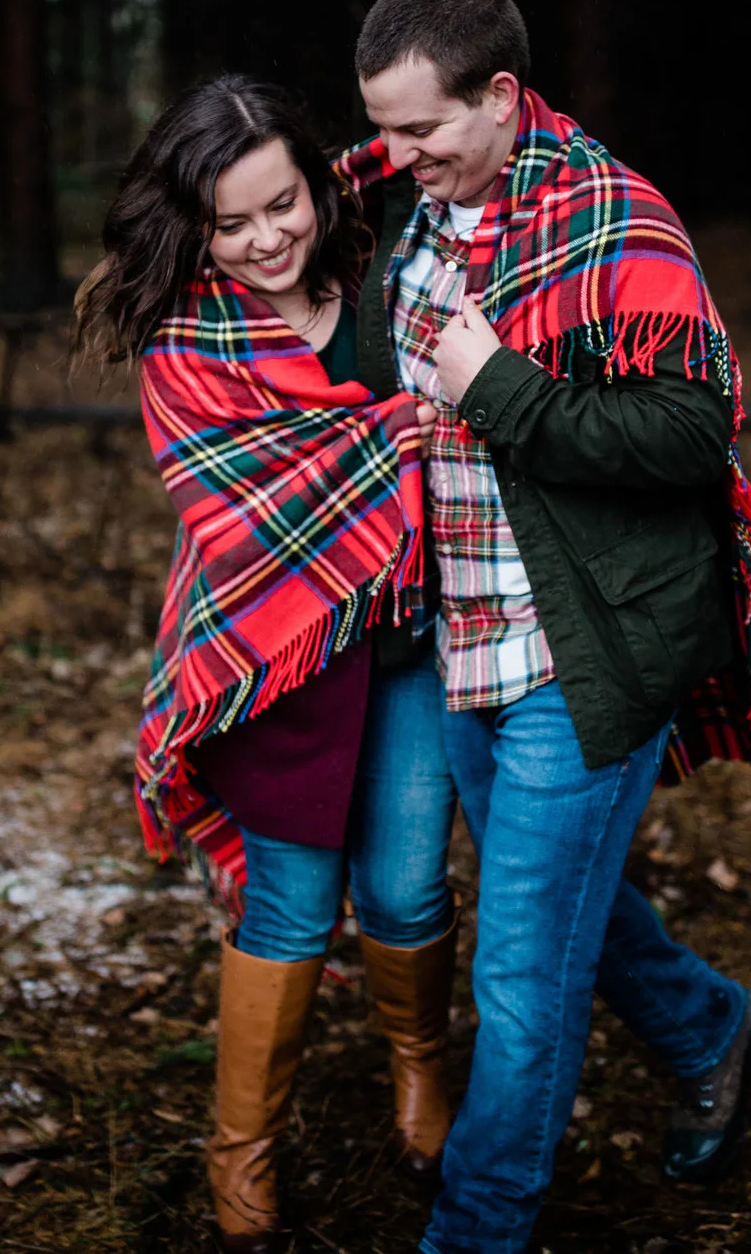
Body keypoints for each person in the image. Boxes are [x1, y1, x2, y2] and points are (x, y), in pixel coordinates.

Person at [331, 0, 751, 1254]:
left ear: (501, 99)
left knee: (519, 974)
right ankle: (716, 1028)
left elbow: (691, 429)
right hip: (464, 638)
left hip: (585, 644)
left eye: (420, 130)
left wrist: (496, 385)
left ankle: (476, 1230)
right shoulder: (426, 213)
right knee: (558, 908)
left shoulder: (616, 219)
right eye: (382, 130)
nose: (396, 157)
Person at [77, 74, 462, 1253]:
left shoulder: (391, 267)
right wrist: (402, 432)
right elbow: (236, 516)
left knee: (403, 886)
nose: (264, 240)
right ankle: (239, 1148)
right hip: (273, 658)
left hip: (402, 648)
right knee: (290, 909)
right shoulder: (188, 341)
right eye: (230, 223)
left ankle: (419, 1070)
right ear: (194, 226)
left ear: (316, 174)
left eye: (281, 203)